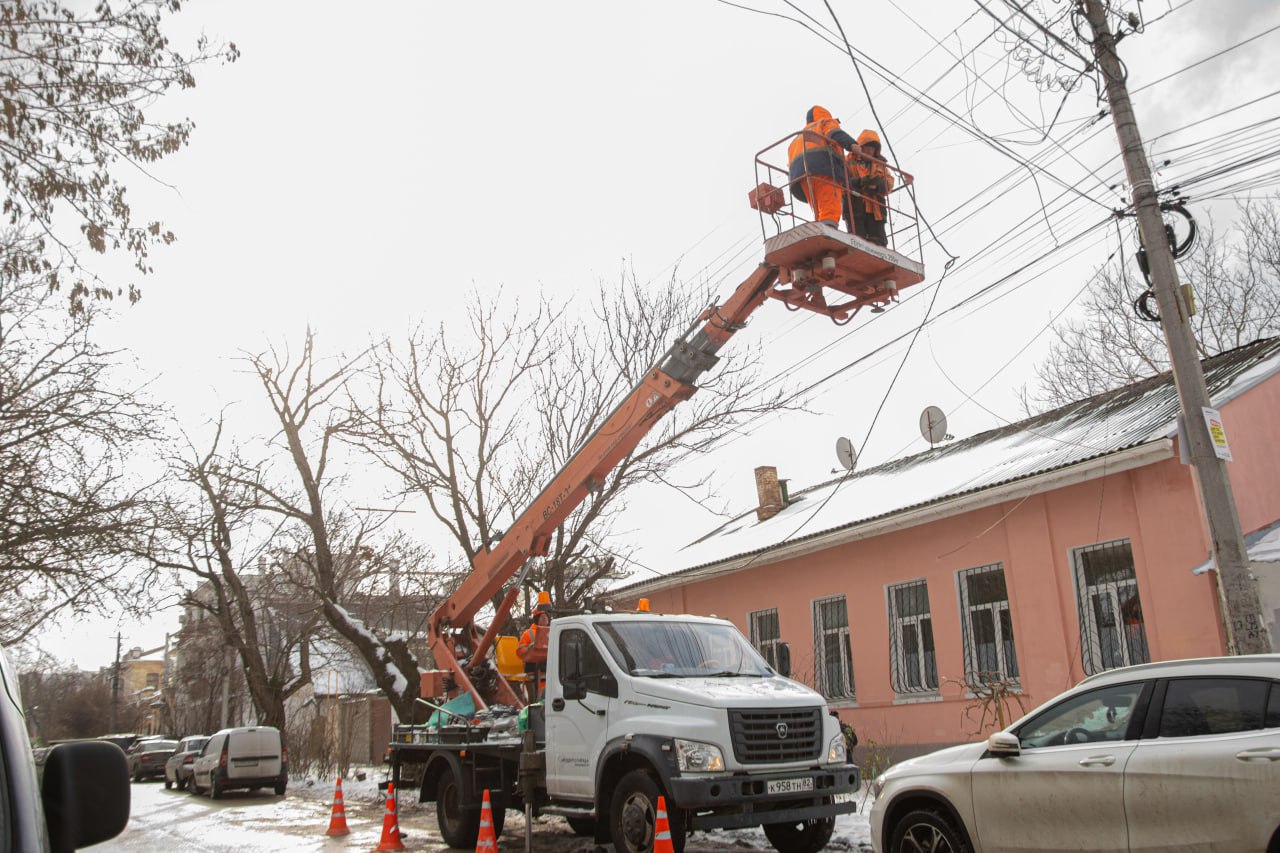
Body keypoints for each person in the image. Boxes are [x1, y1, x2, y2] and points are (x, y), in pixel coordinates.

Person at [787, 106, 860, 228]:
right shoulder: (825, 122)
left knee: (818, 209)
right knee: (829, 205)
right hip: (823, 169)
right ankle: (829, 231)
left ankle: (820, 227)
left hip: (800, 177)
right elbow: (835, 133)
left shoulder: (798, 137)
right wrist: (852, 145)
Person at [845, 129, 896, 246]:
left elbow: (889, 182)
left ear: (876, 150)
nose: (869, 151)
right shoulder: (848, 160)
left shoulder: (880, 165)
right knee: (857, 242)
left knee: (879, 244)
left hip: (876, 209)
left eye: (872, 148)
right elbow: (841, 181)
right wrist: (860, 182)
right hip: (855, 206)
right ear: (860, 147)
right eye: (867, 147)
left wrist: (878, 186)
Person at [516, 598, 551, 701]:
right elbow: (519, 651)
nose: (545, 618)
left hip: (549, 669)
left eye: (546, 616)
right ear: (536, 619)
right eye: (542, 616)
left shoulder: (554, 630)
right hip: (533, 669)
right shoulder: (528, 634)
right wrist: (530, 649)